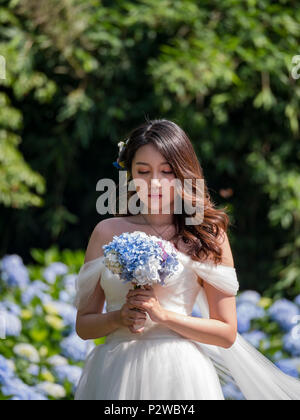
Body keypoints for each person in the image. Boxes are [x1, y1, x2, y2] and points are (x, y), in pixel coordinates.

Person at [74, 119, 300, 400]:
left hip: (179, 375)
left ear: (183, 173)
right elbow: (84, 325)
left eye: (166, 171)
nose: (154, 182)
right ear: (129, 173)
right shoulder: (105, 232)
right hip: (114, 371)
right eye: (143, 171)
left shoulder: (207, 235)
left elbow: (226, 332)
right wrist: (119, 317)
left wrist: (164, 316)